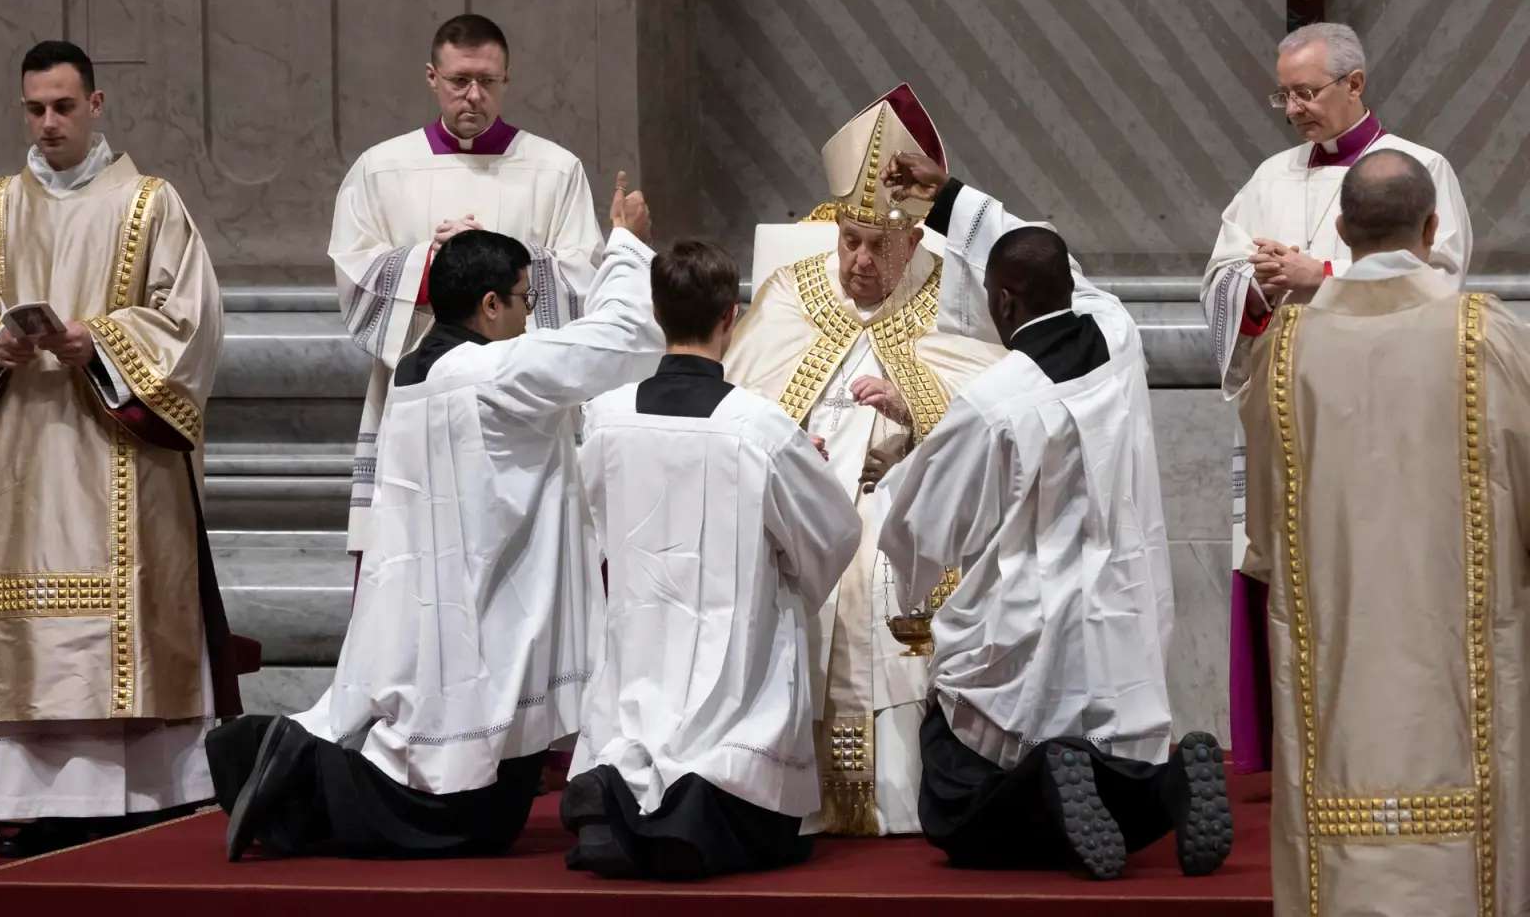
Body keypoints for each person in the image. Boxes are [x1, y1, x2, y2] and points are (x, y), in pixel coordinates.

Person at [209, 175, 663, 861]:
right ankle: (297, 762)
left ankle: (295, 782)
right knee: (458, 819)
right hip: (486, 617)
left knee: (477, 803)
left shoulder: (417, 374)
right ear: (488, 305)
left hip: (436, 615)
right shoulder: (488, 374)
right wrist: (627, 244)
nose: (525, 315)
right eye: (522, 300)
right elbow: (619, 340)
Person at [871, 153, 1229, 881]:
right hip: (1124, 609)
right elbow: (1044, 255)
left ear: (1003, 303)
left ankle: (1047, 775)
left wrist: (890, 482)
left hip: (1037, 621)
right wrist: (954, 202)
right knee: (1117, 757)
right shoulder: (1118, 332)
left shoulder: (998, 399)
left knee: (956, 794)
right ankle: (1171, 783)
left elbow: (922, 522)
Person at [1240, 149, 1528, 916]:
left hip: (1337, 661)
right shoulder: (1489, 340)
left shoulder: (1284, 354)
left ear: (1339, 228)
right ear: (1433, 228)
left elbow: (1265, 533)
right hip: (1460, 667)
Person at [723, 84, 1004, 836]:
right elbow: (739, 409)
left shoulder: (951, 300)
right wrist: (792, 450)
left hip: (899, 505)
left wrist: (917, 414)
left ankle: (904, 793)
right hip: (805, 508)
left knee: (889, 560)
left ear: (916, 239)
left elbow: (998, 425)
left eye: (880, 243)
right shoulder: (792, 292)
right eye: (849, 238)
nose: (860, 258)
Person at [1200, 22, 1473, 776]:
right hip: (1291, 407)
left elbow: (1440, 280)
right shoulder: (1271, 178)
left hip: (1384, 416)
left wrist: (1322, 275)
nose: (1292, 109)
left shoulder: (1420, 169)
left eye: (1306, 92)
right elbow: (1219, 276)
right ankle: (1292, 743)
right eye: (1283, 93)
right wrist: (1255, 283)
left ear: (1355, 84)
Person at [0, 40, 241, 856]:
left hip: (118, 453)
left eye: (64, 106)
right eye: (35, 107)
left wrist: (95, 343)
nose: (49, 122)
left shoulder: (148, 203)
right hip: (18, 460)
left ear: (96, 105)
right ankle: (22, 795)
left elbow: (191, 324)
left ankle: (136, 793)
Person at [564, 240, 860, 879]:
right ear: (732, 316)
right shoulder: (760, 427)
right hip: (737, 657)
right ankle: (686, 813)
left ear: (655, 310)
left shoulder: (606, 416)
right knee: (733, 772)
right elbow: (832, 534)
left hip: (640, 629)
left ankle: (620, 795)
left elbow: (594, 514)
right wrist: (792, 577)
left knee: (632, 730)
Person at [329, 12, 604, 559]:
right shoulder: (381, 168)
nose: (473, 96)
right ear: (432, 77)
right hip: (420, 398)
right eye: (459, 81)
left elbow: (583, 278)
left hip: (524, 402)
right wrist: (433, 265)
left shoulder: (556, 168)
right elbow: (355, 273)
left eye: (488, 81)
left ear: (507, 79)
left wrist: (494, 264)